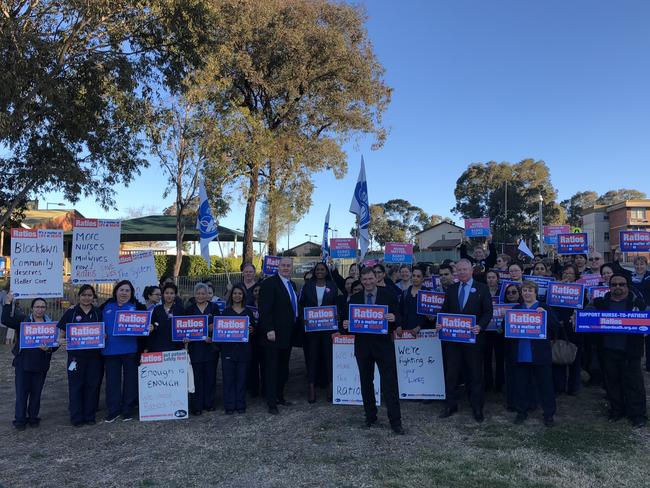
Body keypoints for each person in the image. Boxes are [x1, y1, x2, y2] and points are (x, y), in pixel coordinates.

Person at [342, 267, 404, 434]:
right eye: (365, 280)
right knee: (366, 383)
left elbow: (399, 315)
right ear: (361, 280)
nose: (368, 282)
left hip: (383, 347)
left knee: (389, 384)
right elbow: (347, 320)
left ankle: (395, 421)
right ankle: (370, 416)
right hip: (363, 347)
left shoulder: (388, 295)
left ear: (376, 278)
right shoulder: (354, 298)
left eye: (371, 279)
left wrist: (394, 318)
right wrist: (346, 325)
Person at [588, 273, 647, 427]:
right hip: (607, 349)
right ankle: (617, 410)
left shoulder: (638, 303)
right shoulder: (599, 302)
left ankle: (637, 414)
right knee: (612, 383)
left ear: (627, 286)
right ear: (609, 287)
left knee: (634, 384)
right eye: (614, 285)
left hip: (631, 350)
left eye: (621, 284)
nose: (618, 287)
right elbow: (586, 316)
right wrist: (576, 317)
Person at [437, 259, 493, 422]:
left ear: (471, 270)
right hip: (453, 341)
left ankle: (477, 407)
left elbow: (488, 312)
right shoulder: (452, 289)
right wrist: (440, 323)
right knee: (452, 374)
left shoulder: (482, 288)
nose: (461, 272)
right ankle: (450, 405)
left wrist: (480, 326)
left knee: (475, 374)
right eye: (459, 270)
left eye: (464, 269)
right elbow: (444, 310)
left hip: (473, 340)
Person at [2, 294, 57, 430]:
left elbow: (55, 343)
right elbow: (6, 319)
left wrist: (49, 348)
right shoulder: (23, 321)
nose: (40, 309)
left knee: (36, 393)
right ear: (32, 308)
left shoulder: (50, 324)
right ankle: (20, 420)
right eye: (37, 307)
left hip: (41, 364)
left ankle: (33, 418)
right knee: (21, 393)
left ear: (46, 308)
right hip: (23, 364)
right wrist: (8, 303)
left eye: (43, 307)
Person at [507, 281, 558, 427]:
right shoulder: (516, 308)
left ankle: (548, 414)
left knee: (545, 386)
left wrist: (546, 316)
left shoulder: (544, 307)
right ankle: (521, 412)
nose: (527, 293)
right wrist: (506, 318)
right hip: (521, 353)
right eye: (524, 290)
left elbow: (555, 326)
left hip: (540, 355)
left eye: (530, 290)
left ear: (535, 292)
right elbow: (506, 330)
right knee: (521, 385)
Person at [101, 280, 148, 423]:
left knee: (130, 381)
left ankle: (128, 409)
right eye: (121, 290)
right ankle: (113, 410)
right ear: (116, 291)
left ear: (131, 293)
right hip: (110, 351)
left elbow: (145, 326)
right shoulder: (105, 306)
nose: (124, 293)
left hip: (130, 350)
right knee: (112, 382)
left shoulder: (138, 307)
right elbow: (96, 323)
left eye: (127, 290)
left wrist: (148, 327)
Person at [57, 285, 103, 426]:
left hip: (95, 357)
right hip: (76, 357)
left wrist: (104, 335)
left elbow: (103, 331)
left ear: (93, 297)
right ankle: (76, 417)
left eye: (89, 295)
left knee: (92, 385)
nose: (86, 297)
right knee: (76, 386)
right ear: (79, 296)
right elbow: (61, 334)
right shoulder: (71, 312)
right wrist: (62, 340)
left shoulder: (97, 312)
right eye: (84, 295)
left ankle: (89, 416)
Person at [258, 257, 299, 414]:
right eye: (283, 265)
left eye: (289, 265)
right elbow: (264, 308)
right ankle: (271, 403)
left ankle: (280, 396)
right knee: (272, 369)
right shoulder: (269, 283)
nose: (286, 268)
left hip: (288, 334)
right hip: (273, 335)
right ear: (278, 267)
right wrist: (269, 329)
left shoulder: (292, 284)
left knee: (283, 368)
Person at [299, 262, 338, 403]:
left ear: (326, 271)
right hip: (312, 330)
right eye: (317, 270)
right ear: (314, 271)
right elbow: (301, 304)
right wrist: (304, 319)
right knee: (312, 358)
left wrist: (336, 322)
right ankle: (311, 387)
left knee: (329, 357)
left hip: (328, 329)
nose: (320, 272)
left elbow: (336, 305)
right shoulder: (307, 286)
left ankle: (330, 386)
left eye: (322, 269)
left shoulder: (332, 286)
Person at [185, 282, 221, 415]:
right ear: (194, 295)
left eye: (203, 293)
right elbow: (184, 328)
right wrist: (186, 338)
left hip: (210, 348)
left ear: (208, 294)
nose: (200, 296)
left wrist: (212, 336)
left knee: (210, 377)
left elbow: (219, 327)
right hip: (195, 349)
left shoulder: (214, 307)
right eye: (198, 293)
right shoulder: (189, 309)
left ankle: (209, 403)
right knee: (196, 378)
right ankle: (197, 406)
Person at [220, 284, 257, 414]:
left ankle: (240, 404)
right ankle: (229, 405)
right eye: (235, 293)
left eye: (240, 293)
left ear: (243, 296)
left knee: (241, 379)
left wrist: (252, 330)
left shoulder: (248, 312)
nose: (237, 296)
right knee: (229, 379)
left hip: (244, 351)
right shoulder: (225, 312)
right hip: (228, 351)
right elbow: (220, 332)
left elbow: (253, 330)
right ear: (231, 295)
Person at [146, 283, 185, 353]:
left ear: (175, 295)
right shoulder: (157, 309)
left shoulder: (181, 310)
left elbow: (184, 329)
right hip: (158, 348)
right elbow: (152, 325)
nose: (169, 295)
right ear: (163, 295)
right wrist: (151, 327)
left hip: (176, 348)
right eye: (166, 293)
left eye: (172, 293)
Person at [397, 265, 433, 336]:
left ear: (423, 279)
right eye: (413, 276)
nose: (415, 278)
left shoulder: (428, 293)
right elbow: (399, 312)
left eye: (418, 276)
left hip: (424, 333)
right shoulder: (405, 293)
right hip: (406, 332)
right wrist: (399, 325)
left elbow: (430, 317)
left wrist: (420, 326)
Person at [483, 270, 504, 393]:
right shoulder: (483, 291)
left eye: (493, 277)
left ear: (497, 279)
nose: (491, 279)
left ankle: (500, 383)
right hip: (486, 329)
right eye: (489, 277)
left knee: (500, 357)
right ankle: (488, 382)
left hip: (498, 330)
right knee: (486, 358)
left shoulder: (502, 291)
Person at [246, 282, 265, 397]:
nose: (257, 293)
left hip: (264, 338)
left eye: (259, 290)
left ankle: (264, 389)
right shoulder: (248, 306)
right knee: (253, 365)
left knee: (264, 365)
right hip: (252, 339)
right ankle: (254, 389)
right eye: (255, 291)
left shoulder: (267, 304)